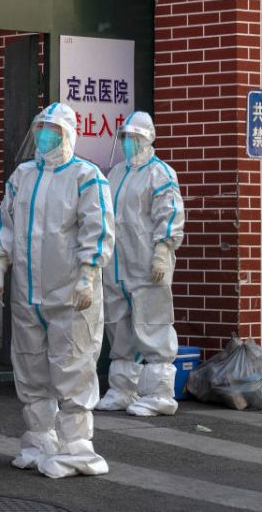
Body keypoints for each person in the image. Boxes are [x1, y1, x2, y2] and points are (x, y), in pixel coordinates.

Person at [0, 102, 115, 479]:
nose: (44, 136)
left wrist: (88, 275)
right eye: (40, 128)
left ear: (68, 135)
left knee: (72, 363)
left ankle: (77, 445)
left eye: (52, 130)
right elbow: (6, 224)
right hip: (28, 293)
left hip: (71, 295)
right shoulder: (23, 176)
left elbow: (98, 228)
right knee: (29, 364)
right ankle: (39, 437)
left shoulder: (86, 176)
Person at [95, 110, 185, 417]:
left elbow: (169, 214)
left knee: (152, 324)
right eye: (125, 137)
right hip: (117, 265)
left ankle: (159, 394)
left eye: (134, 137)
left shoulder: (160, 173)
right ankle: (122, 389)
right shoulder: (117, 173)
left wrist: (163, 250)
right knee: (118, 328)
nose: (129, 142)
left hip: (148, 264)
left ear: (147, 138)